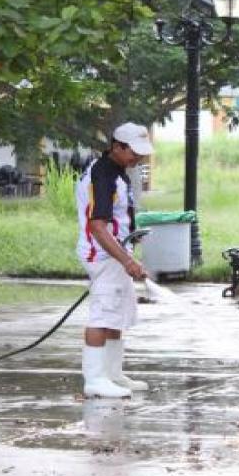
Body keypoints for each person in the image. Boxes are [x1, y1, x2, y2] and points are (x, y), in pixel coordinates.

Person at [75, 122, 153, 397]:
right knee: (103, 315)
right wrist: (126, 261)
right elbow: (98, 226)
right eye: (134, 152)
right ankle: (95, 380)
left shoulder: (118, 172)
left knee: (118, 315)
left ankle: (113, 374)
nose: (139, 158)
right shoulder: (103, 175)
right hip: (104, 255)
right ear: (117, 146)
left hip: (116, 254)